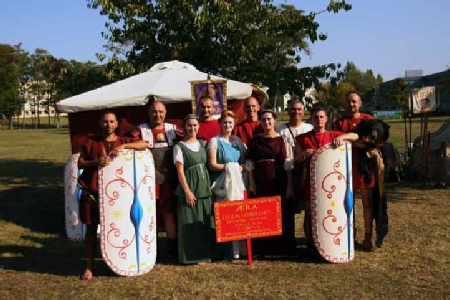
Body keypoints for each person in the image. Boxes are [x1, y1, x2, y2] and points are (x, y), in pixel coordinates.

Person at [77, 110, 148, 280]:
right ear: (100, 123)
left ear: (116, 124)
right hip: (92, 193)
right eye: (105, 122)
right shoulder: (91, 141)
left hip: (115, 198)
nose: (108, 125)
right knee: (91, 229)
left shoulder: (122, 140)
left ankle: (117, 262)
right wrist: (96, 162)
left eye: (111, 122)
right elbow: (80, 162)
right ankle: (89, 266)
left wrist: (123, 147)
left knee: (118, 229)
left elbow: (144, 144)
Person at [296, 105, 359, 252]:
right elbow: (296, 160)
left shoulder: (334, 135)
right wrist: (303, 154)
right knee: (310, 213)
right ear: (311, 119)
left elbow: (356, 136)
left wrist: (343, 137)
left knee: (328, 212)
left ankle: (328, 244)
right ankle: (311, 244)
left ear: (326, 119)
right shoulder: (303, 138)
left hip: (331, 184)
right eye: (316, 117)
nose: (318, 120)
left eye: (321, 117)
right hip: (311, 181)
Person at [245, 109, 295, 257]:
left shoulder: (282, 140)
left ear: (274, 121)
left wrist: (289, 186)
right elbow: (249, 163)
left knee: (279, 213)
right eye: (264, 119)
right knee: (262, 213)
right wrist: (252, 183)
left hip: (278, 180)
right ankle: (263, 249)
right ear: (260, 122)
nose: (267, 122)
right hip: (261, 181)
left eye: (269, 119)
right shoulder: (255, 141)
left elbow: (288, 166)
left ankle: (279, 249)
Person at [136, 100, 179, 259]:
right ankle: (151, 249)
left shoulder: (174, 130)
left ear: (165, 113)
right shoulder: (140, 131)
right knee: (149, 213)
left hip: (169, 179)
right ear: (149, 113)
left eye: (160, 111)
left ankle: (173, 248)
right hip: (148, 180)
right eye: (154, 111)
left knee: (170, 213)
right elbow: (128, 144)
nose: (157, 115)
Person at [333, 91, 375, 251]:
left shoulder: (368, 120)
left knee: (366, 203)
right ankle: (350, 234)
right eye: (349, 102)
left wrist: (352, 141)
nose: (351, 104)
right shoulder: (339, 123)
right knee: (347, 203)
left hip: (365, 166)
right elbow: (336, 140)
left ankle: (368, 237)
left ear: (360, 103)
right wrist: (356, 141)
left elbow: (371, 140)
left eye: (354, 102)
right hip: (345, 166)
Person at [173, 114, 215, 265]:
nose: (192, 128)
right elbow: (180, 171)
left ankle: (206, 254)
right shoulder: (180, 147)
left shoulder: (202, 144)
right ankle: (192, 257)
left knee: (204, 221)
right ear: (185, 127)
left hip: (204, 187)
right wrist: (187, 191)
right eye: (189, 125)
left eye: (195, 125)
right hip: (191, 187)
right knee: (190, 221)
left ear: (198, 127)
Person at [207, 110, 247, 260]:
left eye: (230, 122)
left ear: (234, 124)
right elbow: (212, 164)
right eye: (224, 122)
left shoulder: (238, 142)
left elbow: (243, 160)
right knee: (224, 215)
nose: (227, 125)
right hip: (222, 183)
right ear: (220, 124)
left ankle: (238, 250)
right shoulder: (214, 141)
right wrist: (231, 167)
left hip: (238, 182)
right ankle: (225, 250)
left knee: (238, 214)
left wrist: (240, 168)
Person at [276, 98, 313, 214]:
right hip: (288, 173)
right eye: (293, 109)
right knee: (289, 209)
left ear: (303, 111)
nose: (296, 112)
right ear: (288, 111)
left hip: (306, 172)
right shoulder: (280, 130)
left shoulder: (309, 128)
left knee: (309, 208)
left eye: (299, 109)